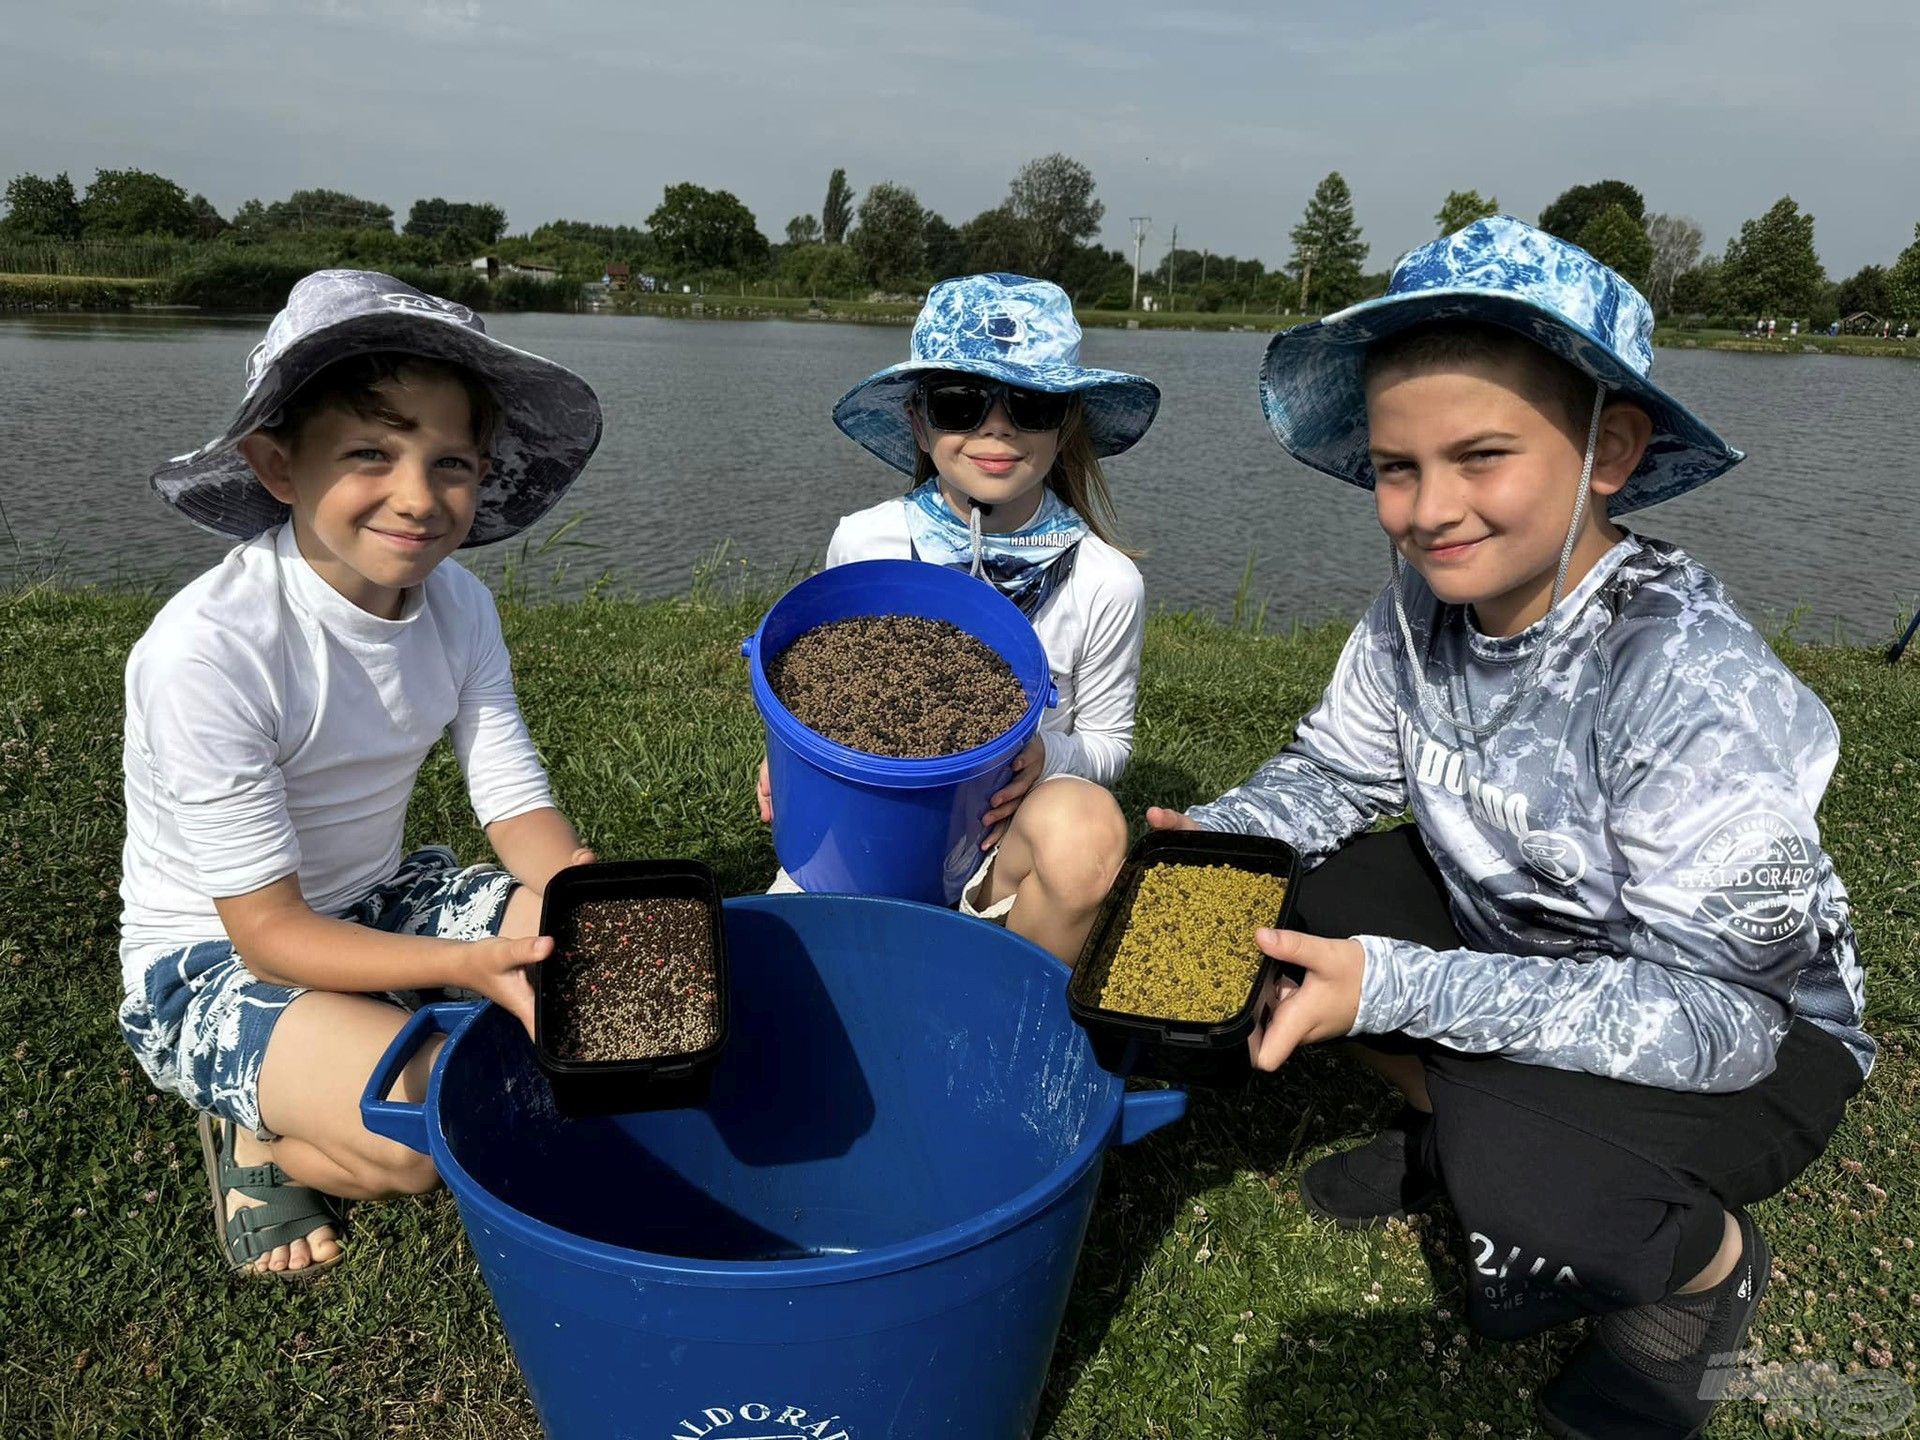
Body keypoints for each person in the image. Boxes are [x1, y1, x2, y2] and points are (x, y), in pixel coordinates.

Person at [1148, 218, 1871, 1438]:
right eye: (1396, 466)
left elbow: (1717, 1019)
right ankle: (1455, 1130)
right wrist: (1208, 847)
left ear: (1611, 449)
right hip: (1532, 948)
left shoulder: (1689, 677)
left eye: (1481, 456)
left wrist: (1395, 987)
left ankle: (1703, 1276)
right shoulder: (1419, 610)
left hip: (1750, 1027)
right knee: (1298, 888)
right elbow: (1331, 771)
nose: (1430, 512)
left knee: (1536, 1182)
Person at [119, 270, 605, 1277]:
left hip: (380, 898)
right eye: (371, 455)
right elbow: (270, 933)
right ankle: (252, 1134)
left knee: (594, 974)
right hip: (217, 960)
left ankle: (365, 1035)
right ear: (277, 464)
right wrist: (471, 967)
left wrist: (581, 898)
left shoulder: (459, 605)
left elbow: (514, 800)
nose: (420, 500)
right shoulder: (211, 650)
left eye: (453, 462)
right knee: (422, 1132)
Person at [763, 273, 1160, 963]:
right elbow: (814, 686)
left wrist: (1048, 757)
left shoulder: (1105, 582)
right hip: (861, 827)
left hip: (999, 841)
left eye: (1030, 403)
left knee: (1088, 831)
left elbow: (1108, 740)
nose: (996, 426)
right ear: (918, 419)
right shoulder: (866, 543)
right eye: (960, 401)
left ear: (1065, 427)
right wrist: (785, 757)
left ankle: (1001, 977)